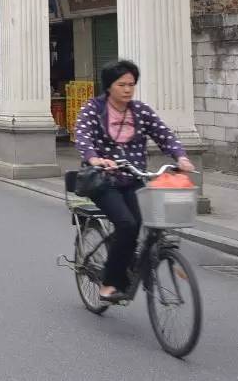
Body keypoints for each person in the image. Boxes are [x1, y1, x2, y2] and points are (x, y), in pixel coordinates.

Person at [74, 59, 195, 302]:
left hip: (133, 177)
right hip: (103, 180)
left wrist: (180, 157)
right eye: (122, 84)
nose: (128, 89)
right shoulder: (94, 109)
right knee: (127, 224)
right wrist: (95, 158)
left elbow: (164, 135)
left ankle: (129, 263)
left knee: (145, 221)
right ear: (109, 86)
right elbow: (82, 135)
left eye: (131, 84)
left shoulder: (141, 111)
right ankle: (109, 282)